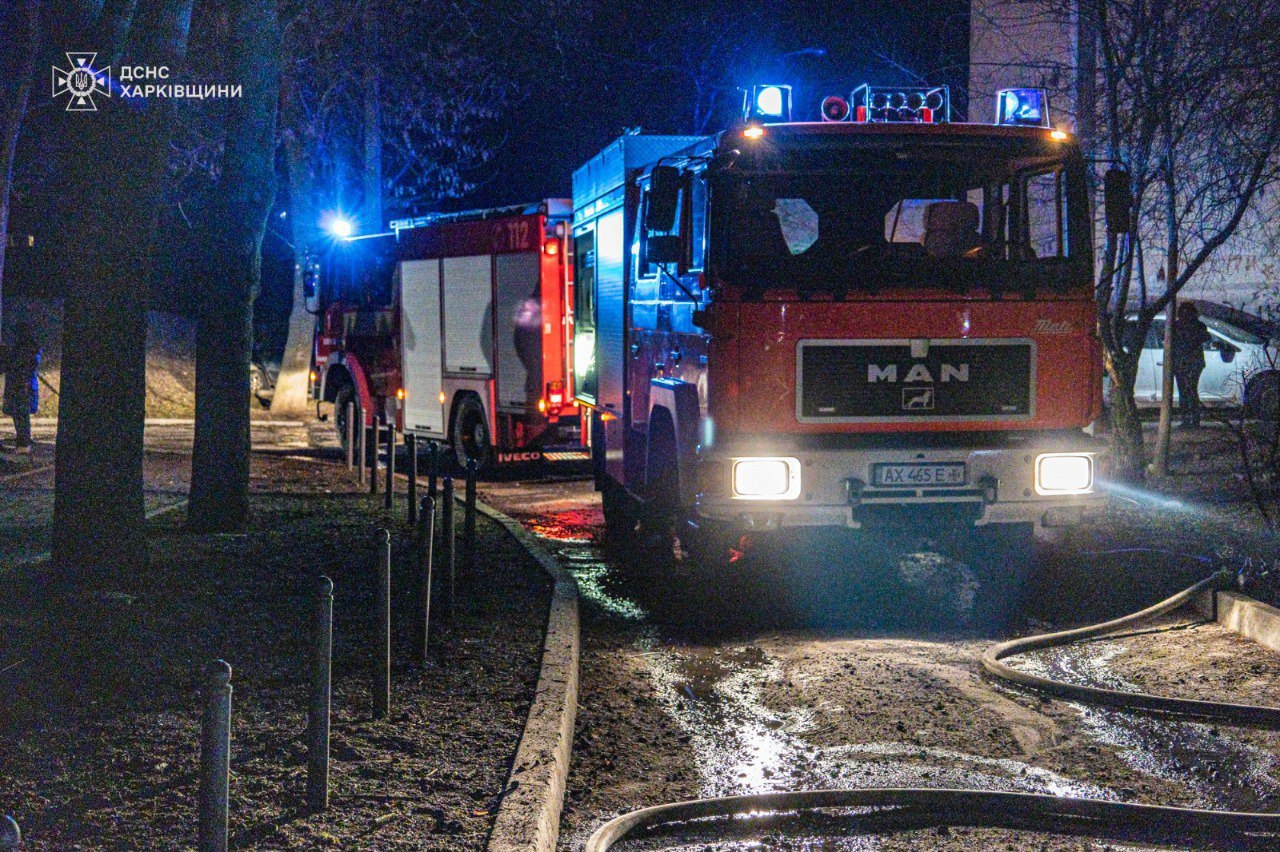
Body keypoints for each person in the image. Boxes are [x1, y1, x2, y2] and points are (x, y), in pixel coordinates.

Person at [1, 321, 41, 455]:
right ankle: (23, 441)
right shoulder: (31, 348)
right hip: (23, 385)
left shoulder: (24, 349)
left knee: (21, 414)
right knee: (20, 414)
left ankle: (23, 443)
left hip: (21, 385)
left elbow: (15, 365)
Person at [1171, 302, 1209, 428]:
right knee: (1190, 390)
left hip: (1185, 362)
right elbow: (1205, 338)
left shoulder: (1177, 326)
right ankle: (1192, 419)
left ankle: (1189, 419)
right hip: (1191, 362)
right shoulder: (1197, 326)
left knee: (1186, 391)